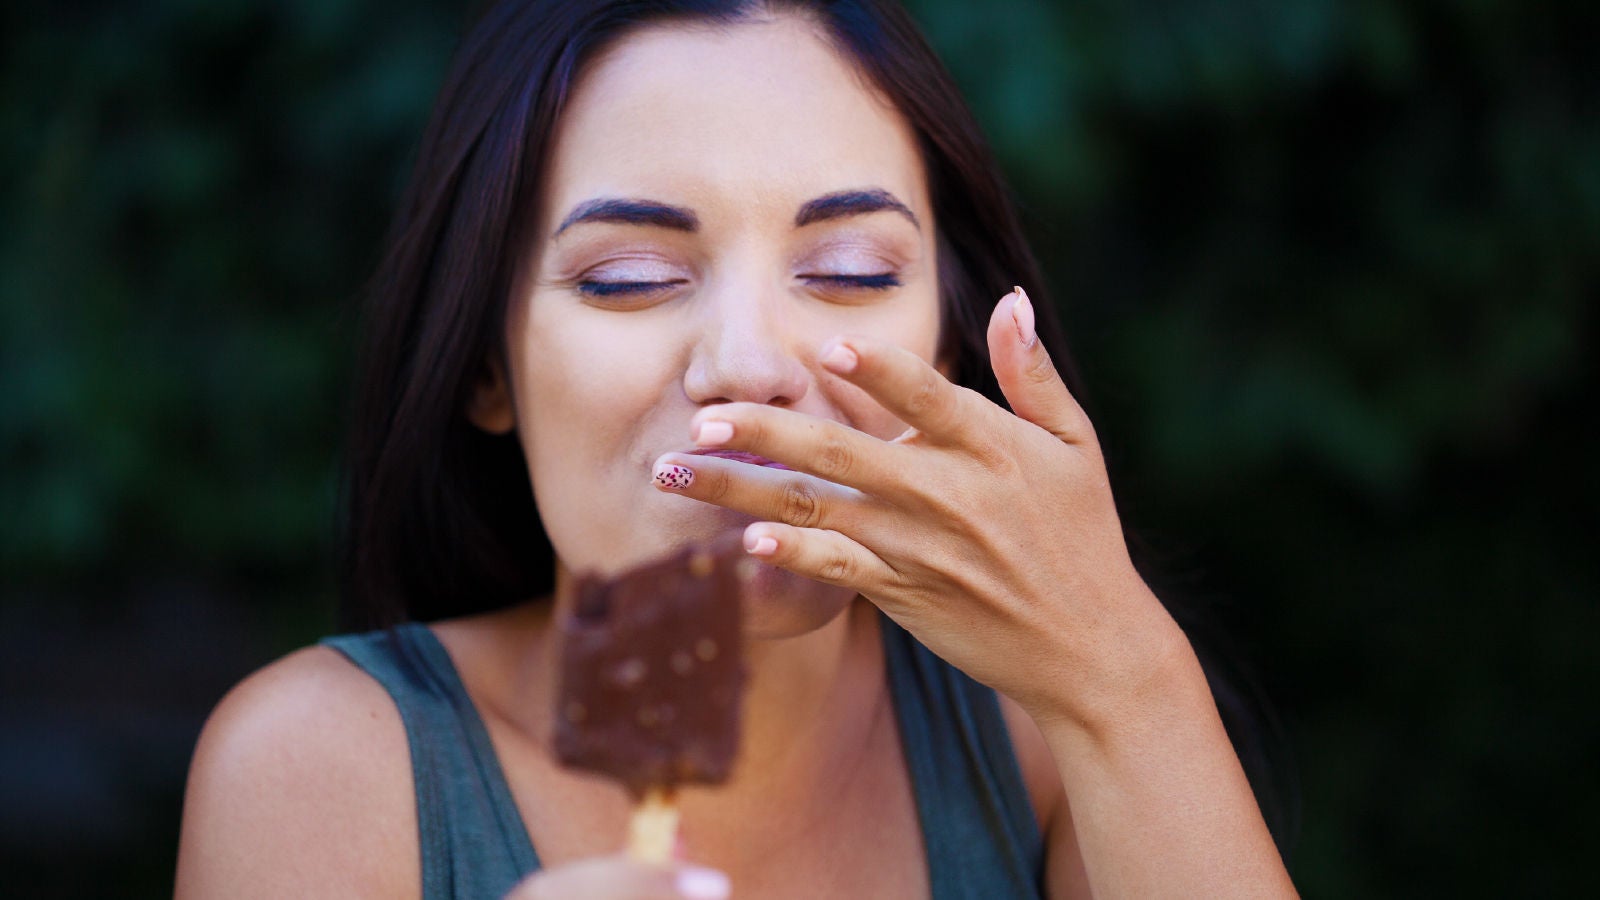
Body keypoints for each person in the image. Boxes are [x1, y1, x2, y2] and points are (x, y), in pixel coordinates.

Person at [175, 0, 1297, 897]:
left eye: (851, 269)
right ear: (486, 364)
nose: (750, 360)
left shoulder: (1044, 748)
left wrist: (1125, 678)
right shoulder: (321, 773)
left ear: (951, 343)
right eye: (632, 279)